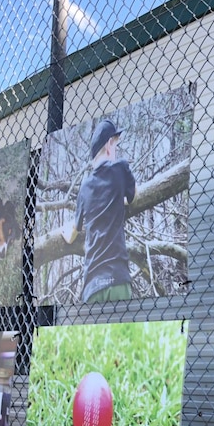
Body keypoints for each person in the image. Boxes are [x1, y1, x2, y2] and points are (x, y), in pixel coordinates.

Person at [63, 119, 137, 303]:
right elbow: (134, 195)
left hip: (92, 285)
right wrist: (119, 199)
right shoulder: (120, 167)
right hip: (118, 278)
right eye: (116, 144)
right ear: (110, 144)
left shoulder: (85, 187)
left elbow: (74, 232)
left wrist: (66, 232)